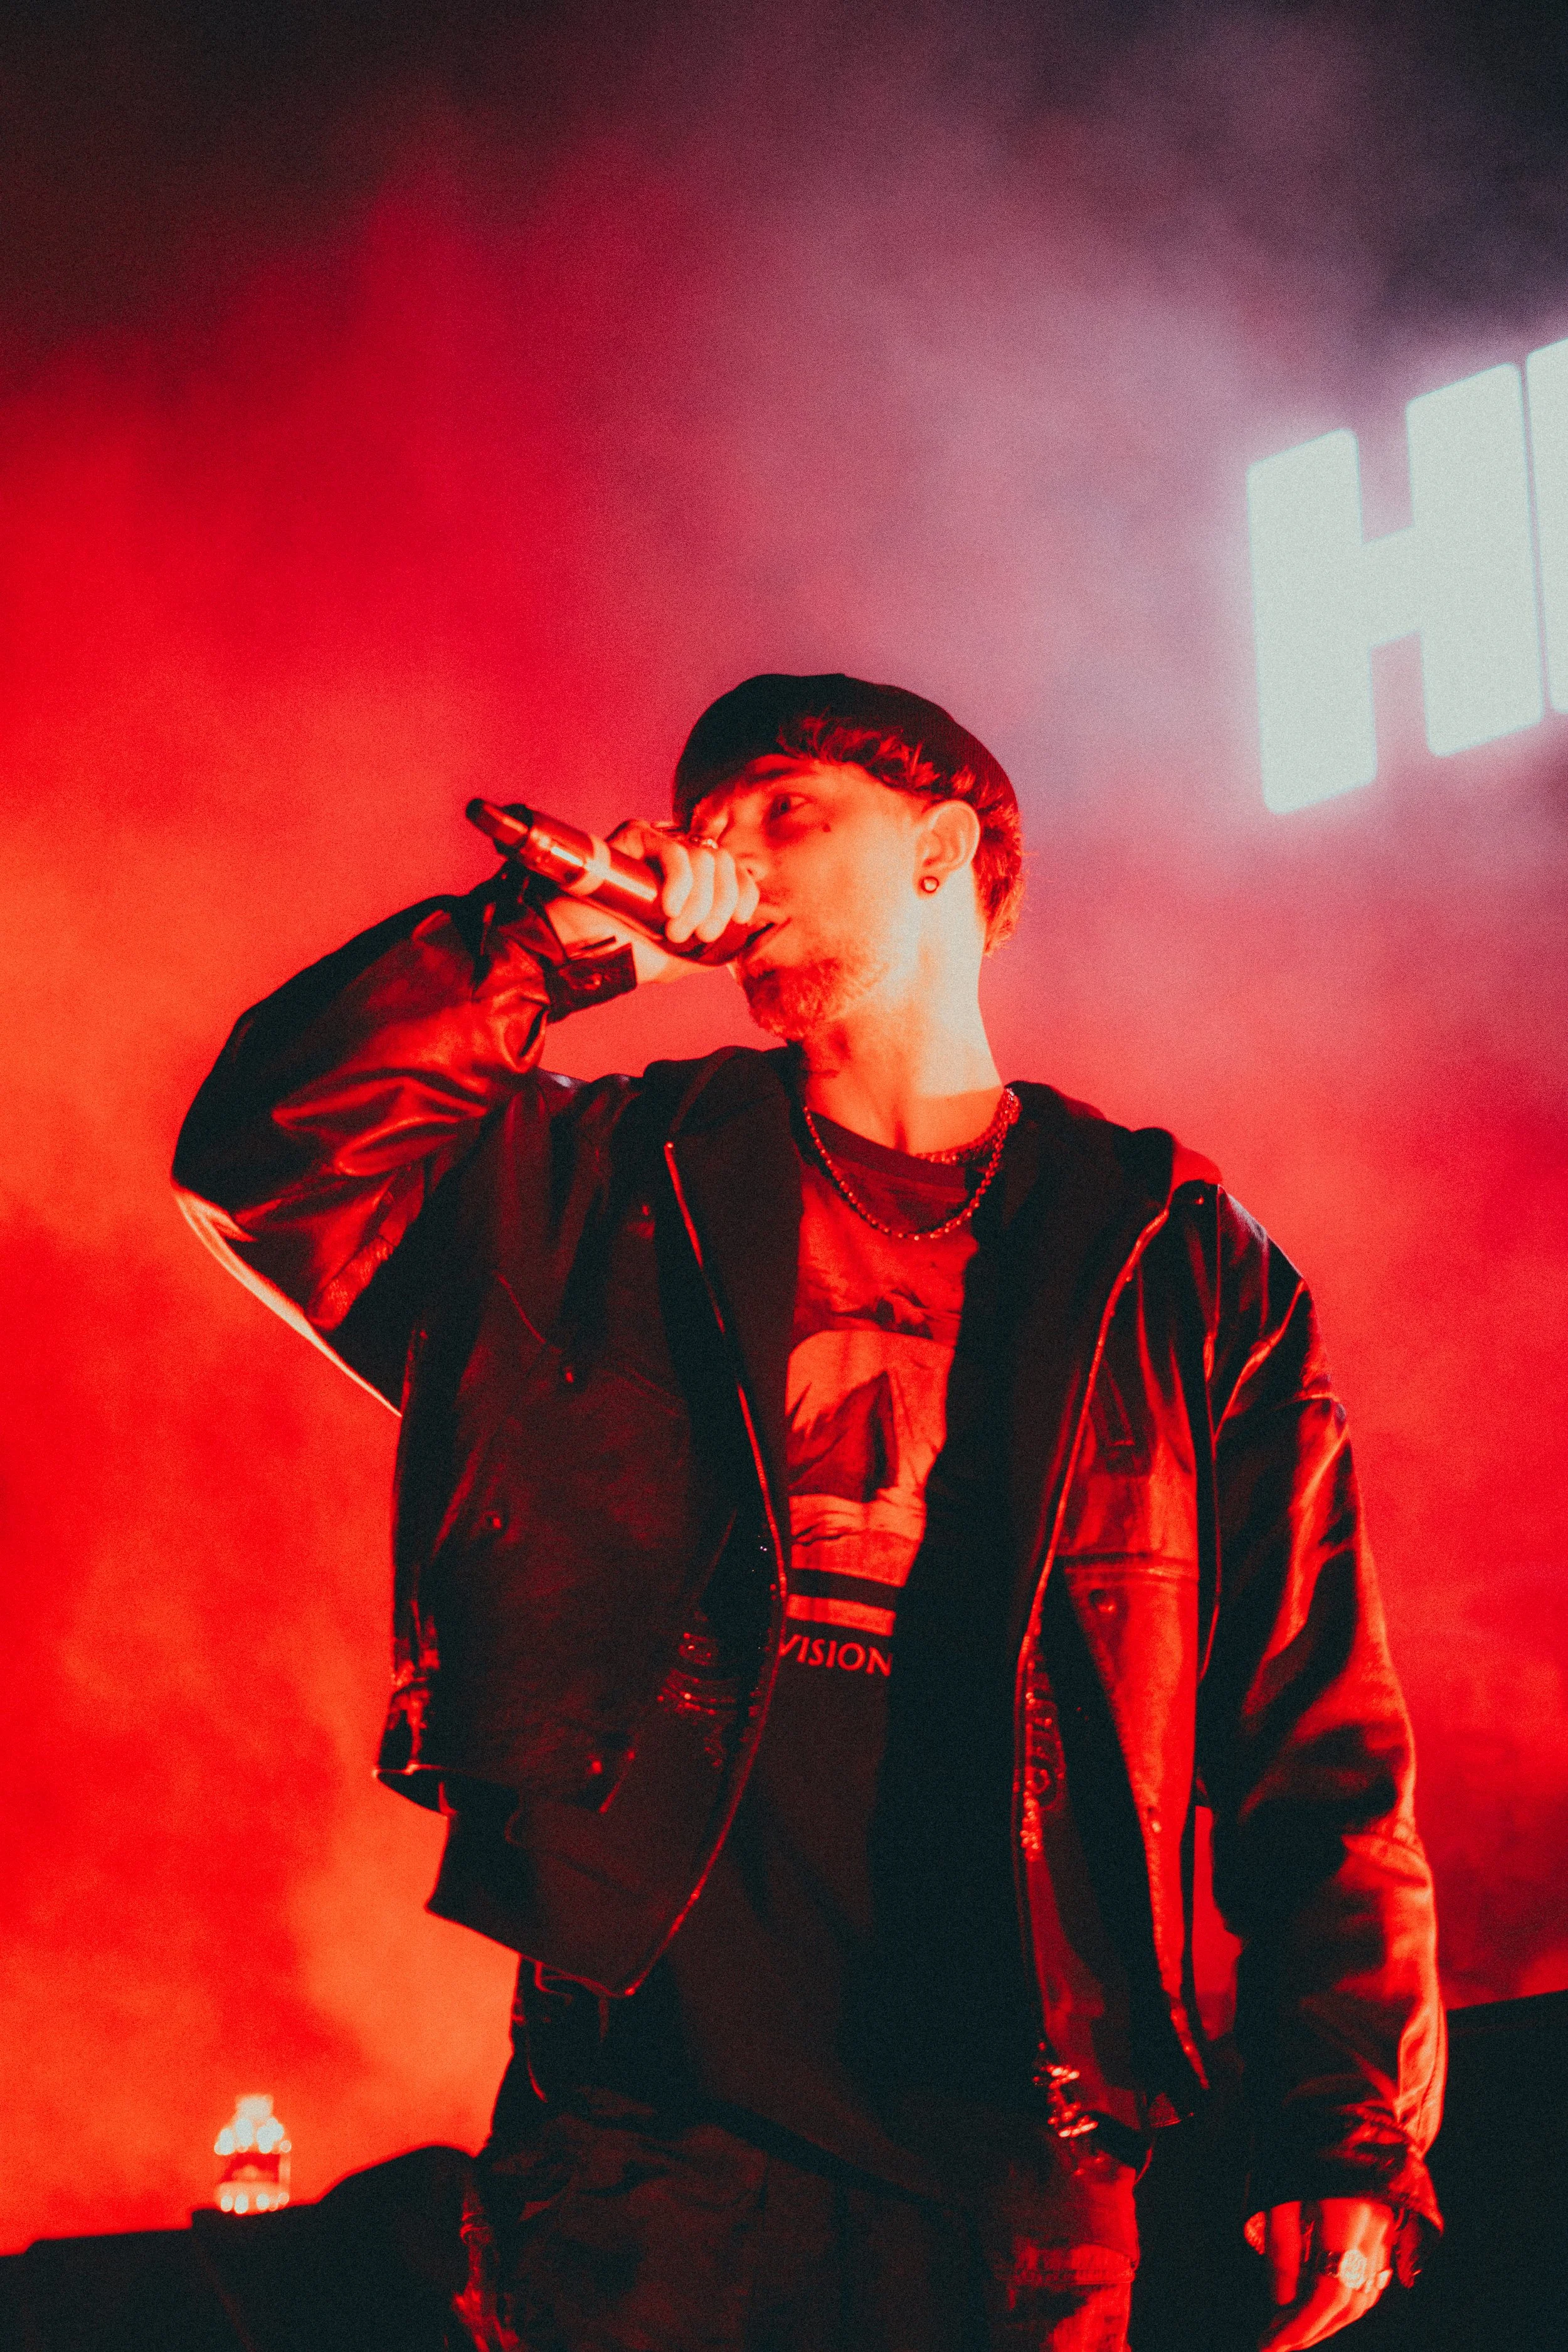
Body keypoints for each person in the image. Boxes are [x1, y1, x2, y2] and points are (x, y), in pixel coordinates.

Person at [172, 674, 1444, 2352]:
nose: (724, 846)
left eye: (784, 805)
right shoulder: (604, 1193)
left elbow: (1316, 1725)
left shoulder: (1178, 1259)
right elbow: (268, 1162)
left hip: (1019, 2142)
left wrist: (1341, 2115)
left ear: (940, 849)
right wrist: (544, 940)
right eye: (706, 816)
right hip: (645, 2125)